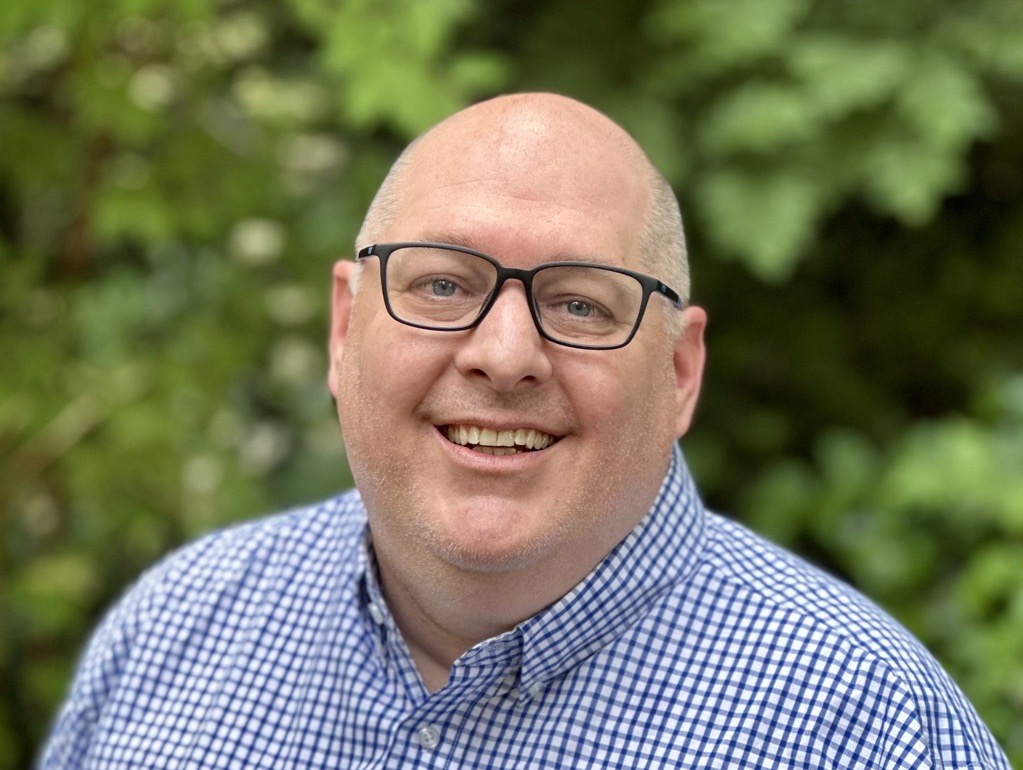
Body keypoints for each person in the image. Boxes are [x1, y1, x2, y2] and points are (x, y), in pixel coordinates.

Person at [39, 93, 1010, 769]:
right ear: (343, 329)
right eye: (442, 284)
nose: (504, 355)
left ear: (679, 371)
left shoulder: (868, 728)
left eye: (581, 304)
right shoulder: (174, 630)